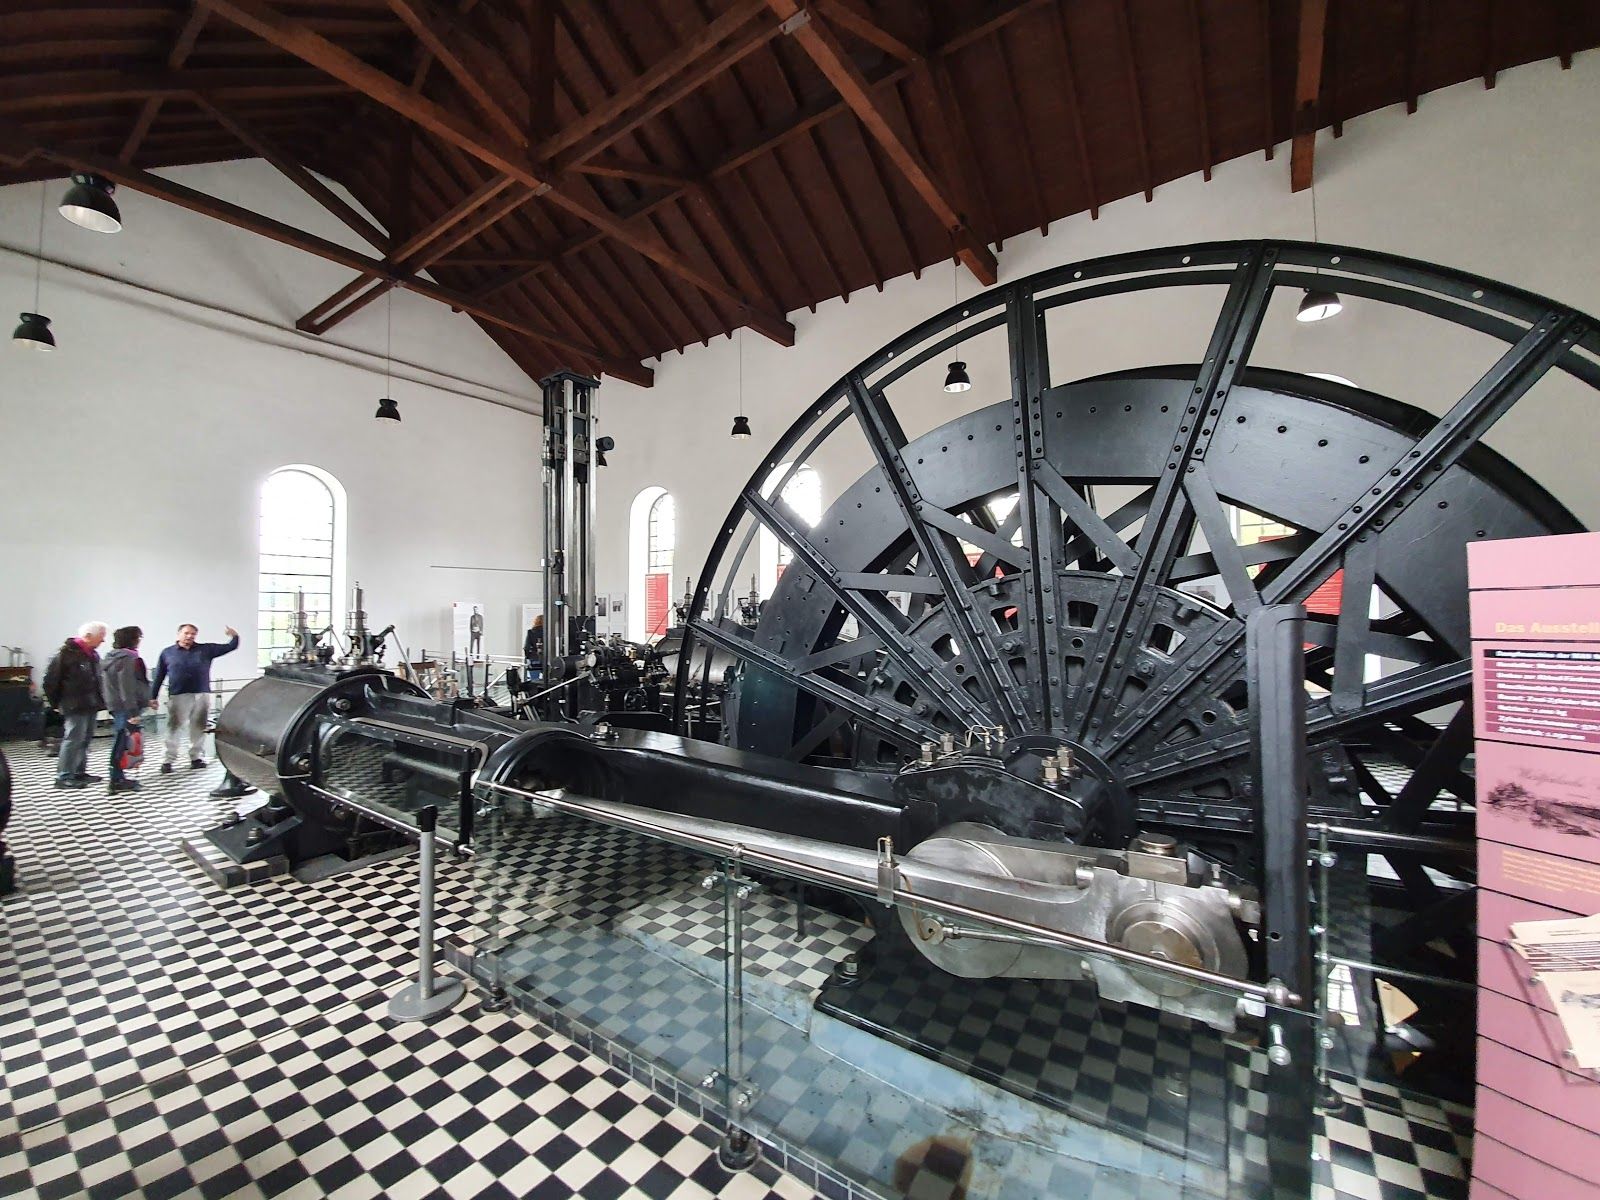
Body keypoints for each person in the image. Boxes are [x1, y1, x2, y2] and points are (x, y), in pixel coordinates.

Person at [151, 623, 238, 772]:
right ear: (179, 634)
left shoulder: (205, 649)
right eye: (186, 633)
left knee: (198, 727)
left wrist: (234, 636)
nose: (190, 636)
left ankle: (196, 757)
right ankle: (167, 760)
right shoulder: (167, 653)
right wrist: (153, 696)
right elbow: (159, 675)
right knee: (174, 727)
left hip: (201, 694)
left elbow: (230, 647)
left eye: (193, 634)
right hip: (178, 695)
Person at [43, 621, 108, 789]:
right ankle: (63, 776)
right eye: (100, 638)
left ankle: (79, 772)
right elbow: (51, 681)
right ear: (88, 636)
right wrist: (55, 703)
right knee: (73, 739)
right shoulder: (65, 654)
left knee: (85, 739)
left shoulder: (92, 655)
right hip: (74, 704)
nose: (103, 642)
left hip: (91, 704)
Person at [102, 626, 153, 793]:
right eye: (138, 637)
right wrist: (132, 712)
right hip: (126, 707)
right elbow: (127, 687)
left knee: (122, 740)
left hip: (117, 705)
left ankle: (117, 776)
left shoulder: (112, 657)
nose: (139, 640)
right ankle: (116, 779)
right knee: (122, 742)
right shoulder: (128, 659)